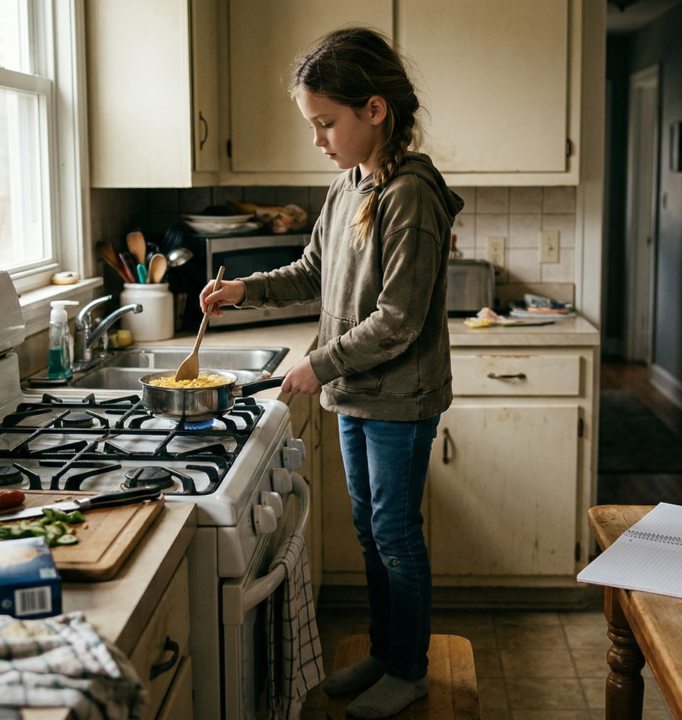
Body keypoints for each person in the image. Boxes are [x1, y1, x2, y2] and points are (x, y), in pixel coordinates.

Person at [199, 26, 463, 719]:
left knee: (395, 533)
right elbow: (312, 272)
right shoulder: (348, 186)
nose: (318, 139)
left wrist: (318, 364)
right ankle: (385, 649)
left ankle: (409, 670)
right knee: (370, 529)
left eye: (325, 123)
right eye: (312, 125)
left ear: (374, 110)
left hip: (399, 397)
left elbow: (398, 320)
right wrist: (243, 290)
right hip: (355, 393)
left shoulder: (410, 195)